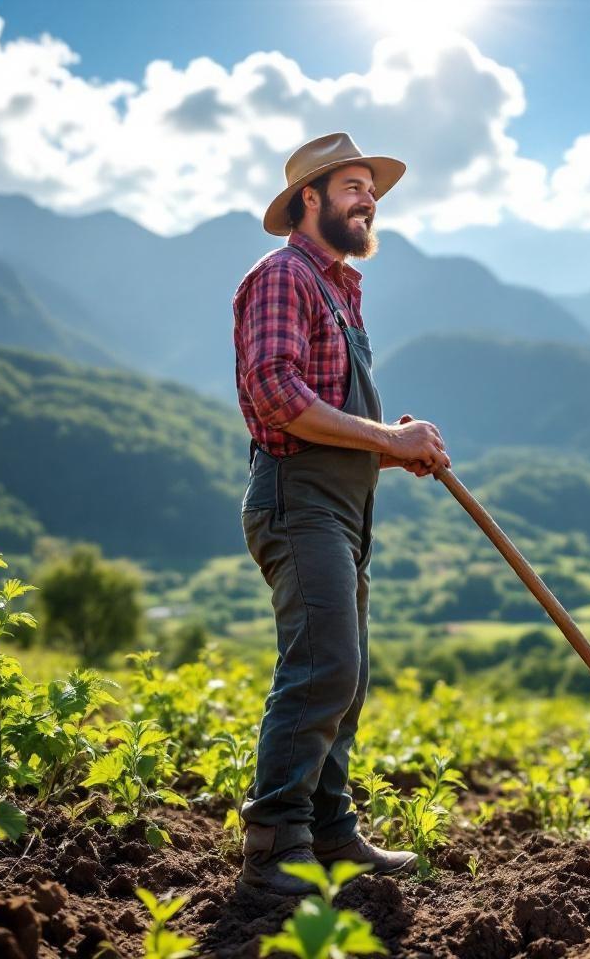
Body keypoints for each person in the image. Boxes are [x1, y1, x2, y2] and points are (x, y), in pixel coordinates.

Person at [231, 131, 451, 896]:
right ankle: (273, 844)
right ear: (310, 198)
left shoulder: (341, 289)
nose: (369, 201)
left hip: (344, 504)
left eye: (372, 190)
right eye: (354, 186)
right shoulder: (283, 276)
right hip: (298, 500)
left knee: (345, 676)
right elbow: (276, 395)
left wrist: (395, 452)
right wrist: (387, 437)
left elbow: (328, 420)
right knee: (322, 666)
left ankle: (330, 833)